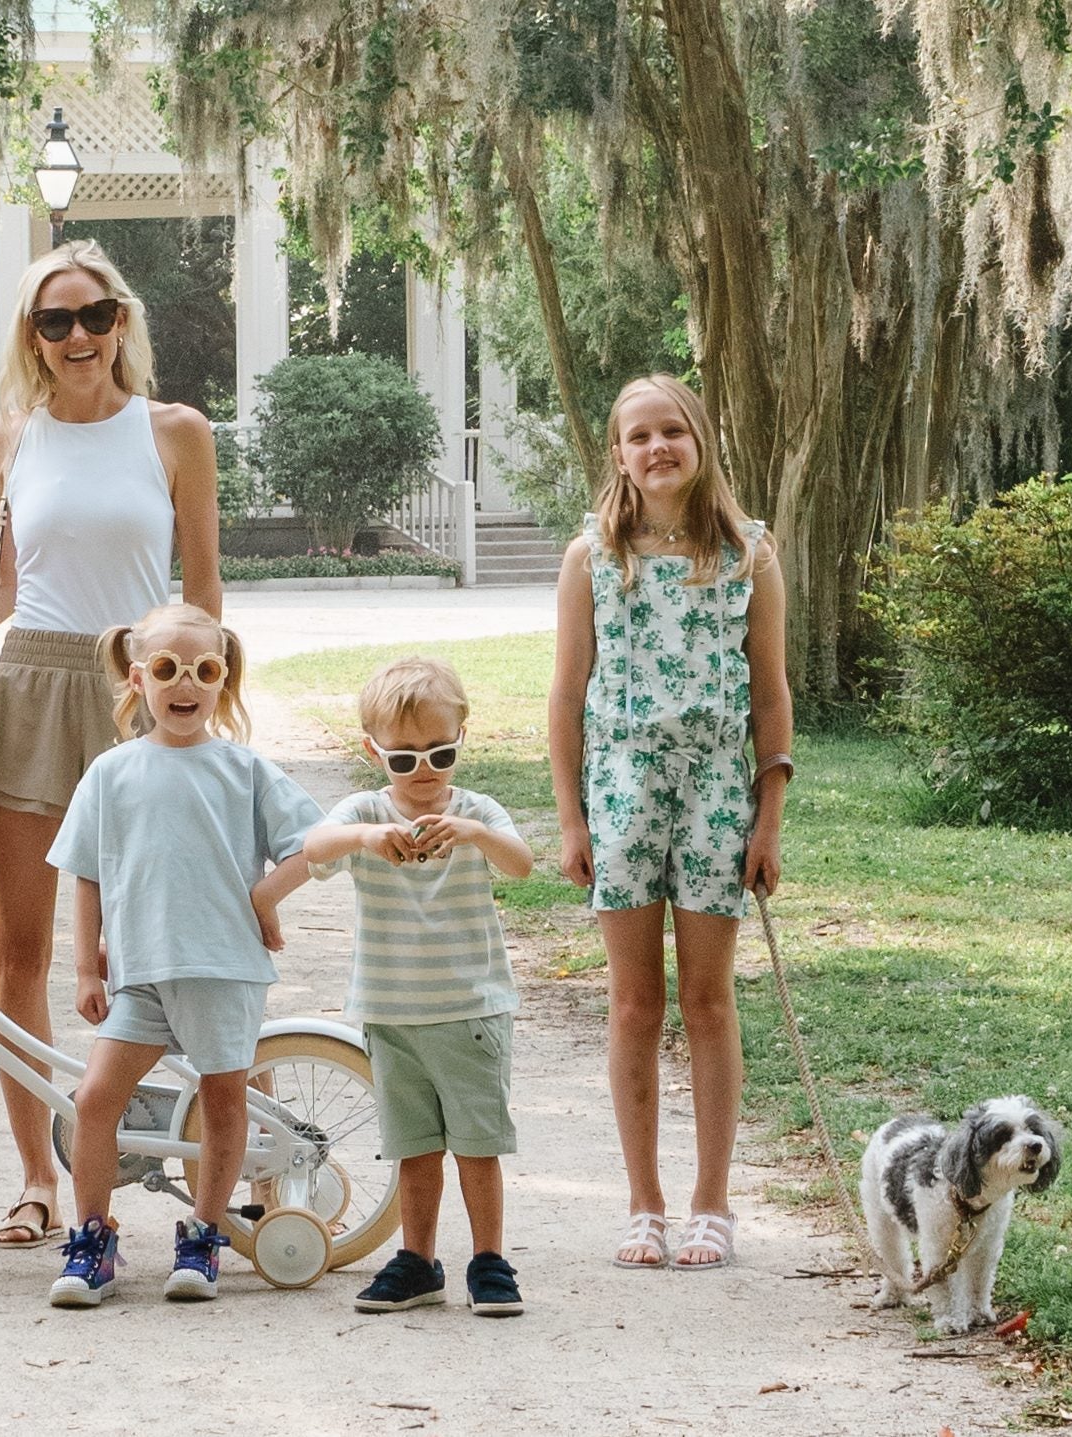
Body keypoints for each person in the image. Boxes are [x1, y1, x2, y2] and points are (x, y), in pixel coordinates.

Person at [0, 240, 223, 1250]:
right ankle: (34, 1177)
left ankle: (211, 1152)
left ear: (122, 320)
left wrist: (193, 700)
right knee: (24, 955)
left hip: (135, 693)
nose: (76, 336)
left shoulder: (174, 432)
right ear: (31, 336)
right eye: (52, 321)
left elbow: (199, 596)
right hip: (28, 688)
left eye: (93, 315)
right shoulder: (6, 441)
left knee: (168, 941)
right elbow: (3, 592)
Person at [546, 374, 793, 1272]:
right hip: (621, 789)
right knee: (634, 1003)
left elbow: (771, 693)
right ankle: (644, 1200)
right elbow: (567, 694)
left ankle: (711, 1200)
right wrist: (572, 818)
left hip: (719, 790)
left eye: (673, 432)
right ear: (617, 453)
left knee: (708, 1000)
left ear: (700, 441)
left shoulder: (748, 555)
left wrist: (768, 819)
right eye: (638, 435)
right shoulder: (592, 559)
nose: (657, 449)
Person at [41, 604, 319, 1306]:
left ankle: (203, 1229)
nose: (185, 683)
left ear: (223, 680)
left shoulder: (243, 768)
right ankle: (93, 1240)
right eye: (167, 669)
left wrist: (263, 900)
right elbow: (87, 873)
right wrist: (83, 966)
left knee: (225, 1098)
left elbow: (313, 844)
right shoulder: (110, 772)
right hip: (138, 974)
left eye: (204, 669)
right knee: (96, 1100)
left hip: (220, 968)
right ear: (139, 678)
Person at [303, 657, 536, 1317]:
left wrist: (476, 832)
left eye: (440, 752)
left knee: (477, 1143)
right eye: (403, 760)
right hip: (392, 1010)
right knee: (414, 1145)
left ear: (463, 737)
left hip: (470, 1009)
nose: (424, 771)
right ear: (371, 749)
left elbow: (521, 863)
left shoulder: (477, 811)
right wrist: (367, 836)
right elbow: (315, 846)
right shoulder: (367, 813)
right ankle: (418, 1257)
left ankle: (489, 1259)